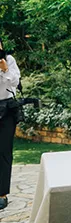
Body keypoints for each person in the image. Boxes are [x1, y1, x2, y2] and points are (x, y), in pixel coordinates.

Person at [0, 38, 21, 210]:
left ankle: (2, 194)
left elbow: (15, 82)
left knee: (4, 151)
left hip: (6, 111)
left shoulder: (9, 60)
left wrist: (5, 69)